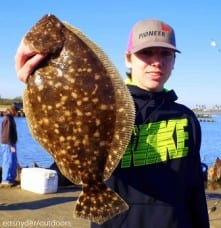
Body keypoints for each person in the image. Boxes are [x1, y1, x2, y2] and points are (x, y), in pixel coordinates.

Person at [14, 18, 209, 228]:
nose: (156, 62)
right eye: (146, 52)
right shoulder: (108, 106)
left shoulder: (186, 118)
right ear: (128, 58)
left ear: (174, 60)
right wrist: (37, 81)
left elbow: (194, 188)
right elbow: (67, 163)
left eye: (165, 54)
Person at [1, 106, 18, 185]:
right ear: (12, 111)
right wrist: (10, 144)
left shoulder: (11, 118)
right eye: (15, 111)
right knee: (8, 160)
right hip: (8, 144)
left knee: (13, 160)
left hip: (12, 143)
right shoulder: (7, 119)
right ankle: (6, 179)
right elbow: (7, 132)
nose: (16, 113)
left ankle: (11, 178)